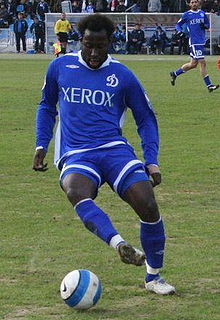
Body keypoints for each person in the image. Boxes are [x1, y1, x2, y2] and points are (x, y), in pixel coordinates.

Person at [33, 13, 175, 295]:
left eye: (101, 46)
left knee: (147, 203)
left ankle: (154, 277)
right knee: (75, 189)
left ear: (111, 42)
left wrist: (152, 160)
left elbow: (146, 118)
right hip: (76, 153)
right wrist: (41, 144)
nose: (94, 52)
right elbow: (47, 106)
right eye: (88, 45)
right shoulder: (60, 66)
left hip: (114, 150)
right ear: (80, 41)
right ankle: (119, 245)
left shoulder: (122, 75)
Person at [170, 0, 219, 92]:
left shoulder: (202, 13)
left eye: (195, 2)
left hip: (201, 41)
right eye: (192, 2)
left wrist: (204, 26)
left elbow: (207, 25)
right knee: (202, 62)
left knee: (193, 64)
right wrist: (181, 31)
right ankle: (209, 85)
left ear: (198, 3)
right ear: (189, 4)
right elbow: (178, 25)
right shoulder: (187, 14)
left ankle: (175, 73)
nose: (194, 4)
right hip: (194, 42)